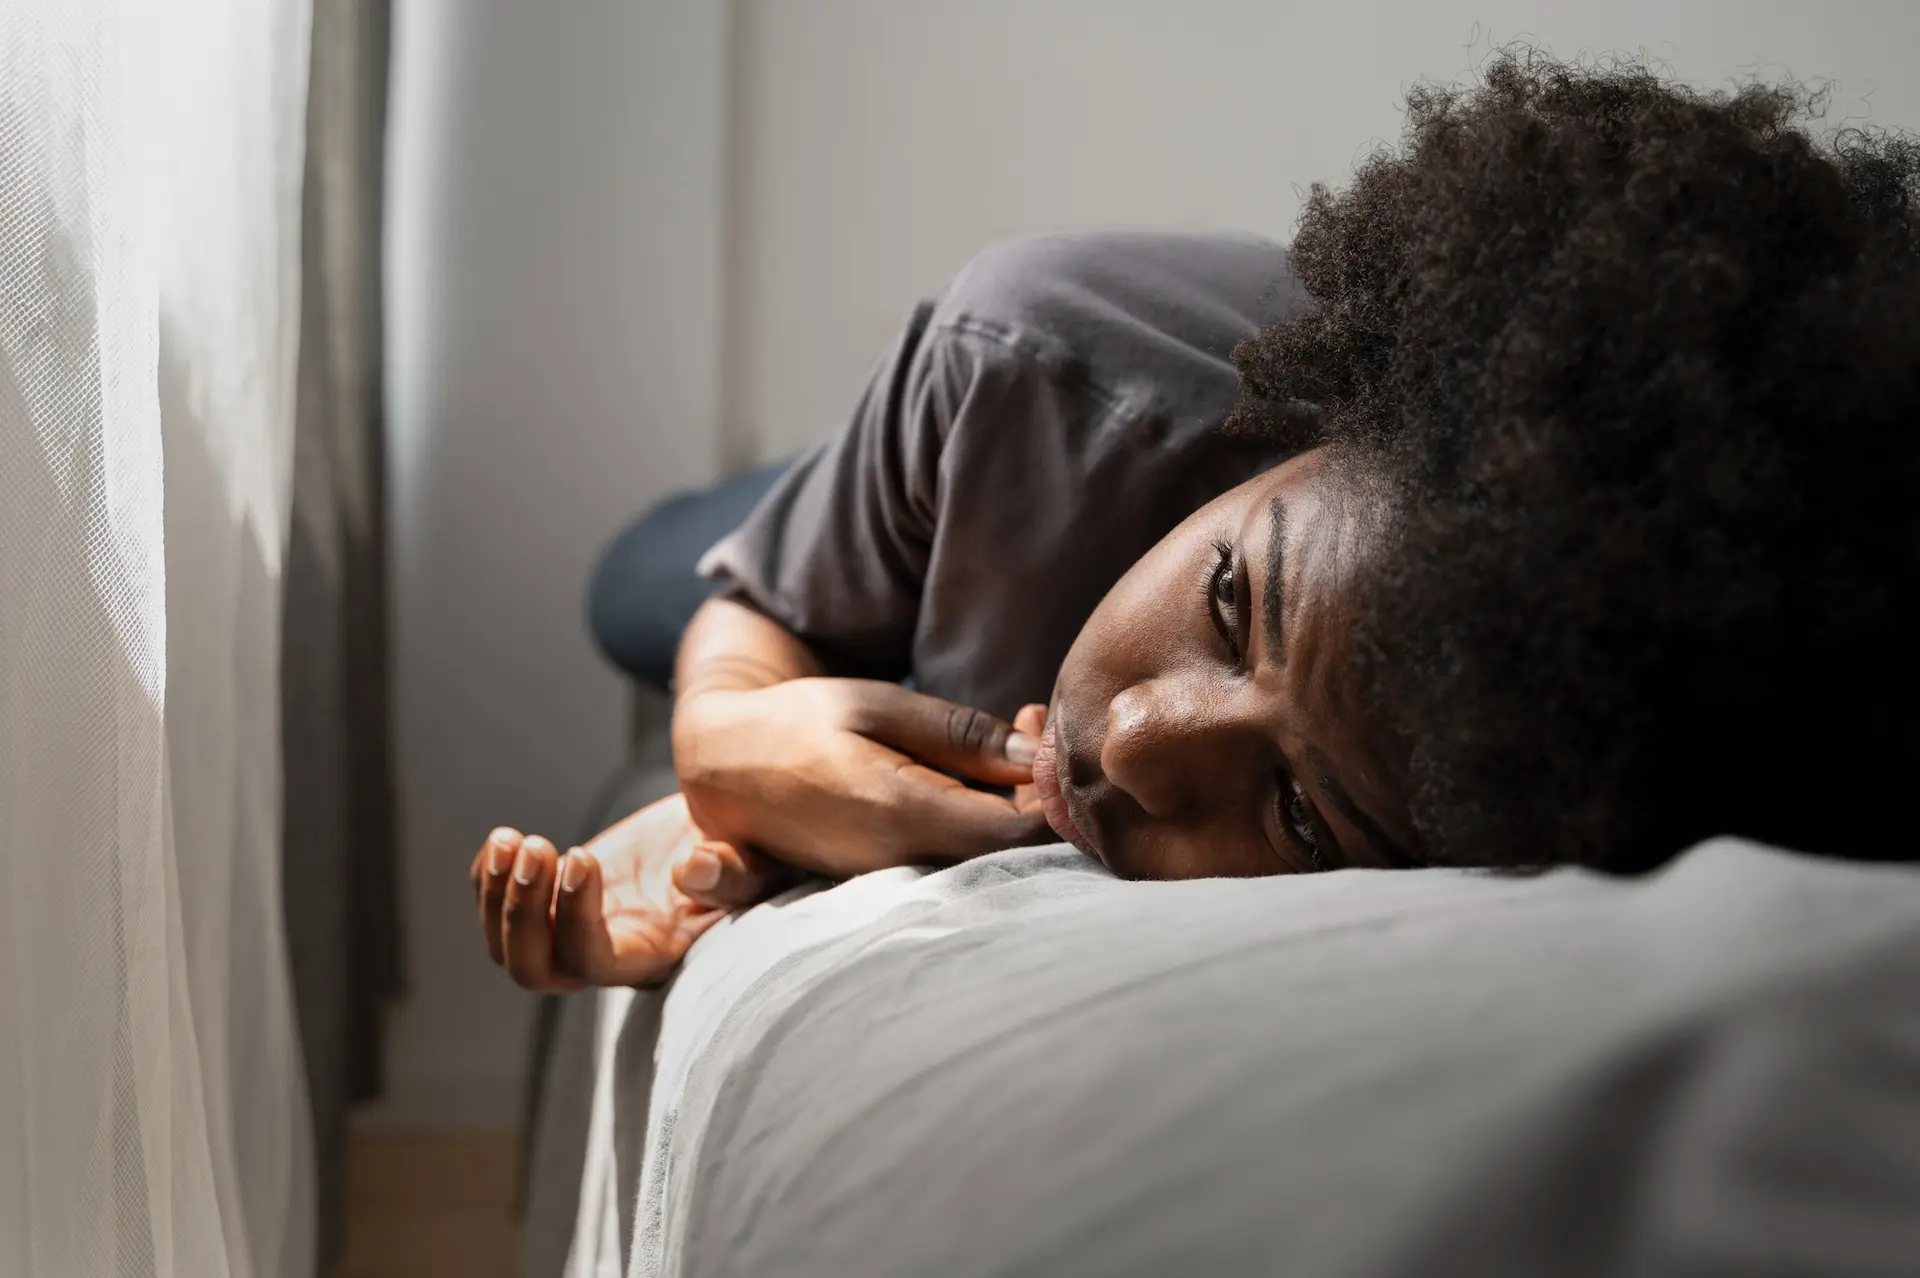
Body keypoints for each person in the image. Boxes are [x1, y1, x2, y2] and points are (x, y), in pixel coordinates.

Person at [472, 51, 1920, 992]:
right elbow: (752, 648)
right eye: (1232, 602)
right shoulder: (1037, 363)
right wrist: (725, 721)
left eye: (1300, 812)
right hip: (927, 491)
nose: (1146, 748)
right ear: (1328, 426)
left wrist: (741, 860)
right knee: (638, 586)